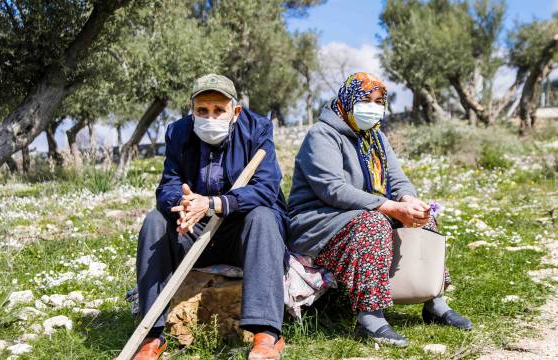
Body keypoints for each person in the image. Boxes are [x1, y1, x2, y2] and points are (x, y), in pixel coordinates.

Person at [287, 72, 472, 347]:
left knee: (423, 220)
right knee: (372, 225)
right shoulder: (321, 135)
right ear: (347, 100)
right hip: (319, 220)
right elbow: (333, 189)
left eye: (378, 101)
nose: (372, 107)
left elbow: (397, 179)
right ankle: (370, 318)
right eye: (365, 99)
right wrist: (390, 207)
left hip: (360, 211)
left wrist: (408, 201)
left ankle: (435, 302)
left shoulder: (375, 138)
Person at [134, 74, 287, 360]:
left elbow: (266, 190)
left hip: (241, 234)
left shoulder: (257, 129)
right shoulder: (178, 133)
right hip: (195, 231)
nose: (210, 117)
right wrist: (183, 205)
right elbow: (167, 186)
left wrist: (215, 203)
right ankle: (151, 338)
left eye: (219, 110)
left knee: (264, 217)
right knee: (154, 222)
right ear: (192, 110)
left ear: (235, 111)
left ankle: (266, 335)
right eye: (202, 111)